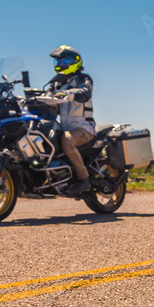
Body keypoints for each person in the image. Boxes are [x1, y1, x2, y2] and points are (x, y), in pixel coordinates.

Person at [46, 45, 95, 195]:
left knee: (67, 141)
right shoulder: (56, 84)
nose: (61, 65)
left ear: (76, 62)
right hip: (64, 129)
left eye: (64, 61)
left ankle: (84, 179)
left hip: (84, 129)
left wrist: (68, 93)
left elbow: (85, 92)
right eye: (58, 62)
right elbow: (46, 94)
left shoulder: (83, 79)